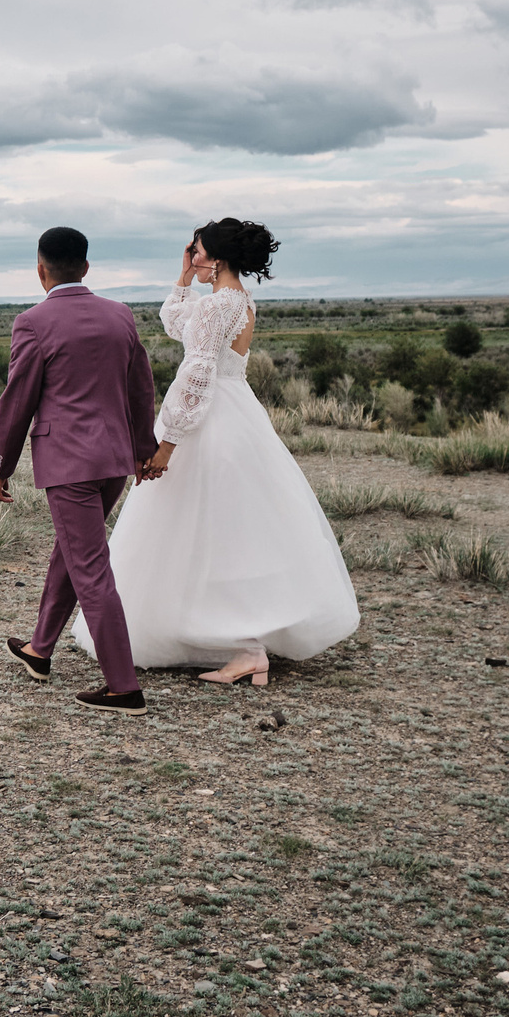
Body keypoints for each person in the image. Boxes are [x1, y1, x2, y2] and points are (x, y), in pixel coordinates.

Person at [70, 218, 360, 686]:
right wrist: (184, 276)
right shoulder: (237, 301)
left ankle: (242, 645)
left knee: (209, 528)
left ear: (219, 257)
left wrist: (167, 444)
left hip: (210, 422)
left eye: (199, 251)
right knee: (235, 528)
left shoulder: (216, 306)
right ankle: (244, 643)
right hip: (238, 414)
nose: (194, 256)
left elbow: (195, 375)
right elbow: (174, 325)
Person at [0, 226, 161, 717]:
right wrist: (142, 448)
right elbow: (141, 389)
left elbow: (17, 400)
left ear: (40, 269)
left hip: (68, 464)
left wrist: (2, 465)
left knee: (90, 569)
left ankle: (123, 687)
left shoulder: (32, 322)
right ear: (86, 268)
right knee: (73, 553)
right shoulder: (120, 315)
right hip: (112, 461)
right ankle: (40, 650)